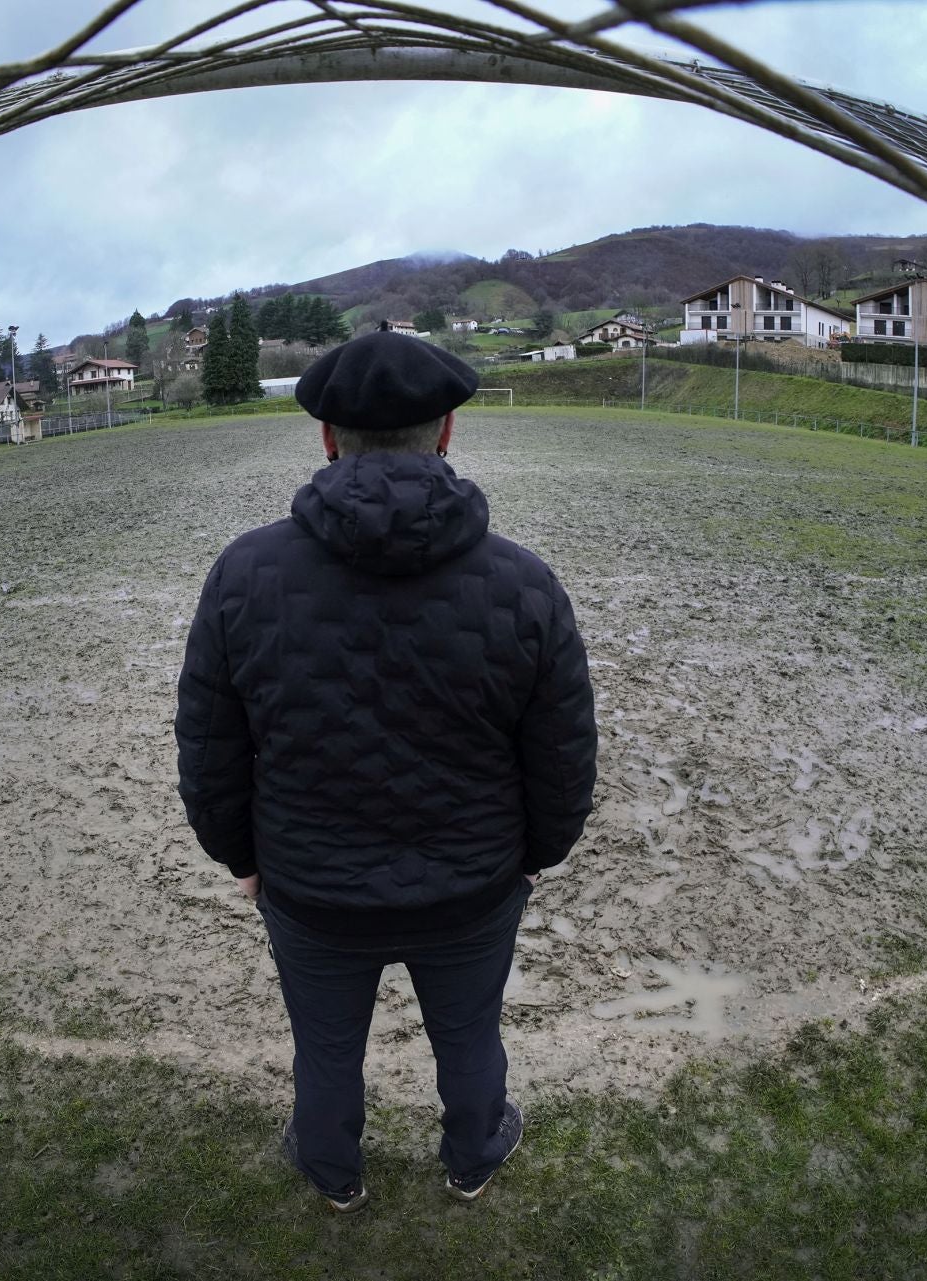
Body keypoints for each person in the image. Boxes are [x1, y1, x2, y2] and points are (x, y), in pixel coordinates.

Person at [174, 330, 598, 1214]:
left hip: (313, 889)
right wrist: (535, 855)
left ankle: (334, 1170)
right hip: (472, 886)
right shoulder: (524, 584)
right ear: (446, 432)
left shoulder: (243, 575)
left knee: (325, 1048)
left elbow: (209, 747)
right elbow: (561, 758)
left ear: (327, 438)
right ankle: (474, 1150)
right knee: (470, 1036)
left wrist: (240, 857)